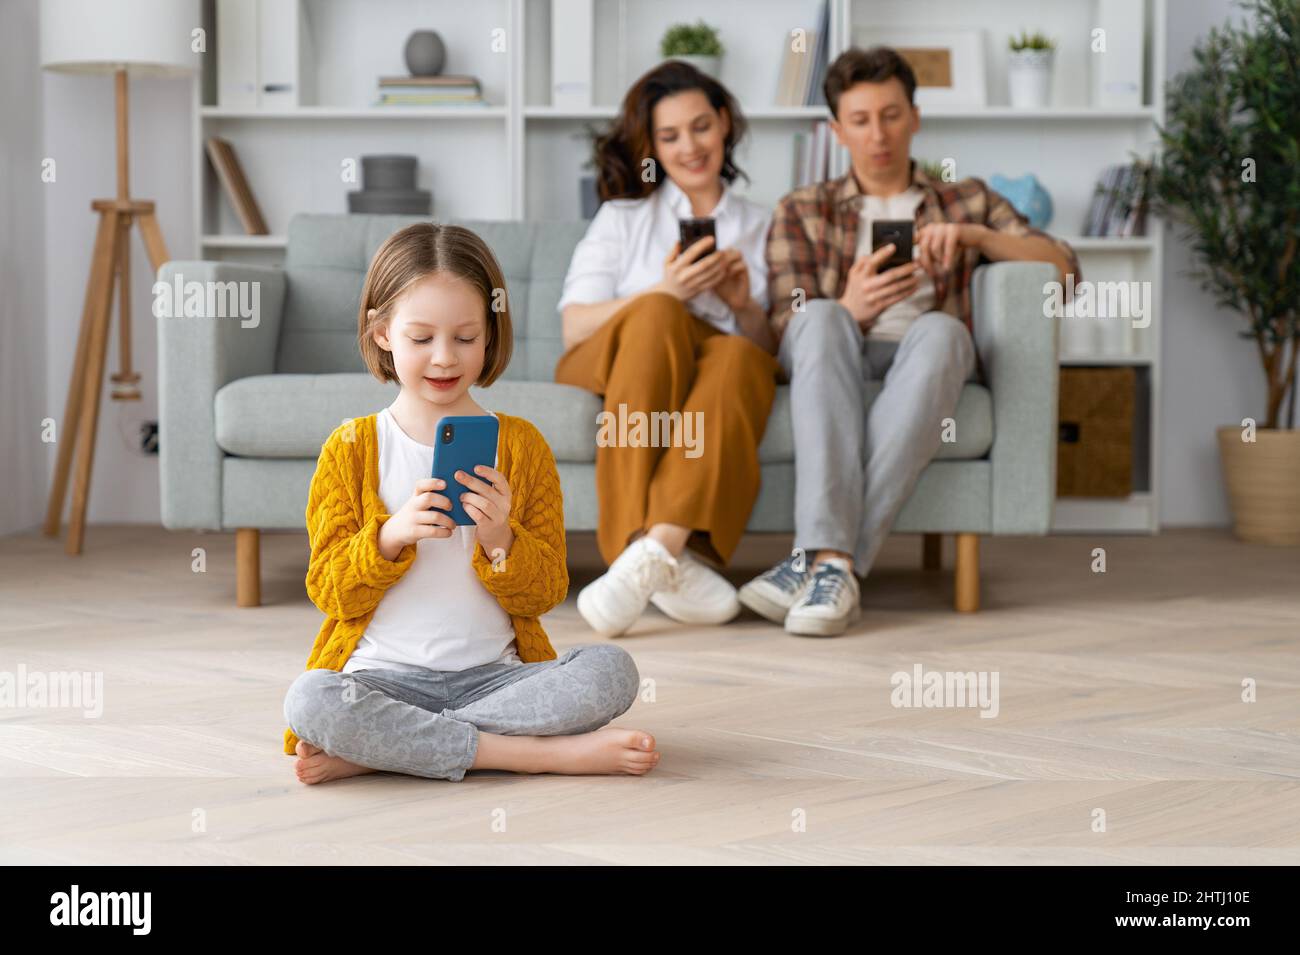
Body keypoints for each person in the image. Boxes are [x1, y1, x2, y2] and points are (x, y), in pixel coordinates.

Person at [282, 222, 660, 784]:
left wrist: (500, 540)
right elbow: (328, 589)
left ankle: (390, 747)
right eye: (421, 338)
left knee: (612, 670)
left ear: (490, 335)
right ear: (382, 333)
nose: (443, 358)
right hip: (382, 679)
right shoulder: (352, 448)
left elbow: (548, 589)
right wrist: (389, 538)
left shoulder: (522, 446)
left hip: (496, 678)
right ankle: (530, 754)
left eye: (464, 338)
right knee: (311, 700)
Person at [739, 46, 1080, 636]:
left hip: (925, 361)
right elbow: (777, 330)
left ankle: (818, 562)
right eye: (862, 120)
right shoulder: (803, 207)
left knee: (945, 331)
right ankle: (837, 565)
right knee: (819, 317)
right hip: (833, 354)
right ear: (837, 130)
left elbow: (1065, 271)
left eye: (892, 115)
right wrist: (851, 307)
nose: (879, 135)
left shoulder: (964, 198)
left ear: (915, 117)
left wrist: (976, 235)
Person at [555, 60, 781, 637]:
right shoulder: (623, 217)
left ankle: (658, 551)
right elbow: (574, 326)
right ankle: (633, 543)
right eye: (670, 135)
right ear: (651, 144)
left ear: (725, 123)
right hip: (619, 357)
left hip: (711, 360)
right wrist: (665, 291)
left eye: (701, 127)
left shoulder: (765, 225)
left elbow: (768, 354)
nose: (690, 147)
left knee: (735, 354)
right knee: (657, 313)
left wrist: (741, 305)